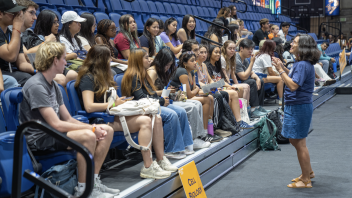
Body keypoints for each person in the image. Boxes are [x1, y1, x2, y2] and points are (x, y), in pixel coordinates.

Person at [20, 42, 118, 198]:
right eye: (64, 59)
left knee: (108, 130)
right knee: (88, 136)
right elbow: (56, 124)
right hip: (40, 138)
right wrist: (90, 129)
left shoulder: (53, 85)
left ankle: (93, 182)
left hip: (52, 133)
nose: (66, 62)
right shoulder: (36, 86)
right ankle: (83, 189)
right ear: (54, 60)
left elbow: (68, 118)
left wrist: (92, 126)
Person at [75, 44, 177, 179]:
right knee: (146, 120)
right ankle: (148, 166)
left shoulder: (106, 76)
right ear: (99, 60)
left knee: (156, 117)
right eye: (107, 59)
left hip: (113, 116)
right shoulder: (87, 78)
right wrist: (113, 103)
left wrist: (122, 102)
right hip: (101, 120)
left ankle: (161, 159)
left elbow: (114, 100)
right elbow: (89, 106)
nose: (110, 61)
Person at [121, 48, 193, 159]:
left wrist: (162, 99)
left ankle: (185, 144)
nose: (149, 60)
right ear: (138, 60)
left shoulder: (143, 73)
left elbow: (151, 93)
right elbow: (140, 98)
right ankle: (172, 149)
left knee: (181, 111)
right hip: (141, 108)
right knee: (171, 114)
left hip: (150, 104)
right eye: (146, 57)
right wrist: (161, 101)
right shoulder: (133, 76)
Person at [272, 34, 319, 188]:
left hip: (298, 107)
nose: (291, 44)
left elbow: (293, 85)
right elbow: (292, 77)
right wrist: (283, 67)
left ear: (303, 46)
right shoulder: (301, 63)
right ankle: (308, 171)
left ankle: (306, 180)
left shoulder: (302, 64)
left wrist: (280, 70)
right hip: (297, 106)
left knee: (299, 143)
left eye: (295, 42)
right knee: (295, 140)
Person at [147, 48, 211, 148]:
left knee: (199, 102)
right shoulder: (152, 72)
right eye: (167, 65)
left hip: (168, 98)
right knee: (194, 106)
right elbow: (149, 93)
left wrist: (168, 90)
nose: (168, 68)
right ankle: (194, 138)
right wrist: (166, 91)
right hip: (159, 102)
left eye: (169, 65)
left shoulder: (191, 71)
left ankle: (199, 136)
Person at [205, 44, 254, 128]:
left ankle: (241, 118)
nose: (218, 54)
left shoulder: (217, 65)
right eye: (216, 52)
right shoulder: (206, 66)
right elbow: (210, 83)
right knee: (233, 93)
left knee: (239, 89)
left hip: (218, 86)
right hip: (212, 88)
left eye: (219, 53)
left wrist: (229, 86)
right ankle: (237, 121)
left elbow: (222, 80)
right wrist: (224, 86)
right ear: (210, 54)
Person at [33, 9, 78, 86]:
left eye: (57, 22)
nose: (57, 25)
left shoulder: (56, 37)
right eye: (54, 22)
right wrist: (72, 55)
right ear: (46, 23)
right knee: (72, 75)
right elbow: (49, 58)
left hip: (61, 66)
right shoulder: (39, 39)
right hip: (49, 68)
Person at [0, 0, 34, 86]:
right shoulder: (16, 32)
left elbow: (22, 63)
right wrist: (17, 28)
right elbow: (10, 56)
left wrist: (37, 69)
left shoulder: (12, 34)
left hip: (13, 72)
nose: (17, 16)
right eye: (13, 13)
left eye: (18, 12)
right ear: (0, 14)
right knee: (29, 79)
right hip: (3, 74)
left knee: (40, 77)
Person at [235, 39, 268, 118]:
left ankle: (258, 107)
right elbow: (243, 76)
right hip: (236, 82)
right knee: (251, 82)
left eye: (251, 49)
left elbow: (251, 72)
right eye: (248, 49)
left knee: (260, 80)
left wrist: (257, 79)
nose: (250, 51)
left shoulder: (245, 59)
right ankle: (253, 110)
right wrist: (252, 62)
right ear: (241, 48)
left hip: (242, 80)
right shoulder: (236, 59)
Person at [252, 40, 284, 105]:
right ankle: (281, 100)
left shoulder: (260, 54)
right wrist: (278, 76)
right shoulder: (266, 56)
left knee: (279, 77)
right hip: (258, 76)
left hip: (257, 75)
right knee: (281, 79)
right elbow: (270, 71)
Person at [221, 40, 250, 105]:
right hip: (224, 83)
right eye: (230, 49)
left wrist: (237, 84)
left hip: (228, 83)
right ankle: (242, 109)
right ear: (225, 49)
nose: (232, 50)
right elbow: (225, 75)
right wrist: (229, 85)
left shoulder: (232, 58)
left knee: (247, 86)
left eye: (234, 49)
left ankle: (246, 109)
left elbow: (233, 74)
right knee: (244, 87)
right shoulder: (222, 59)